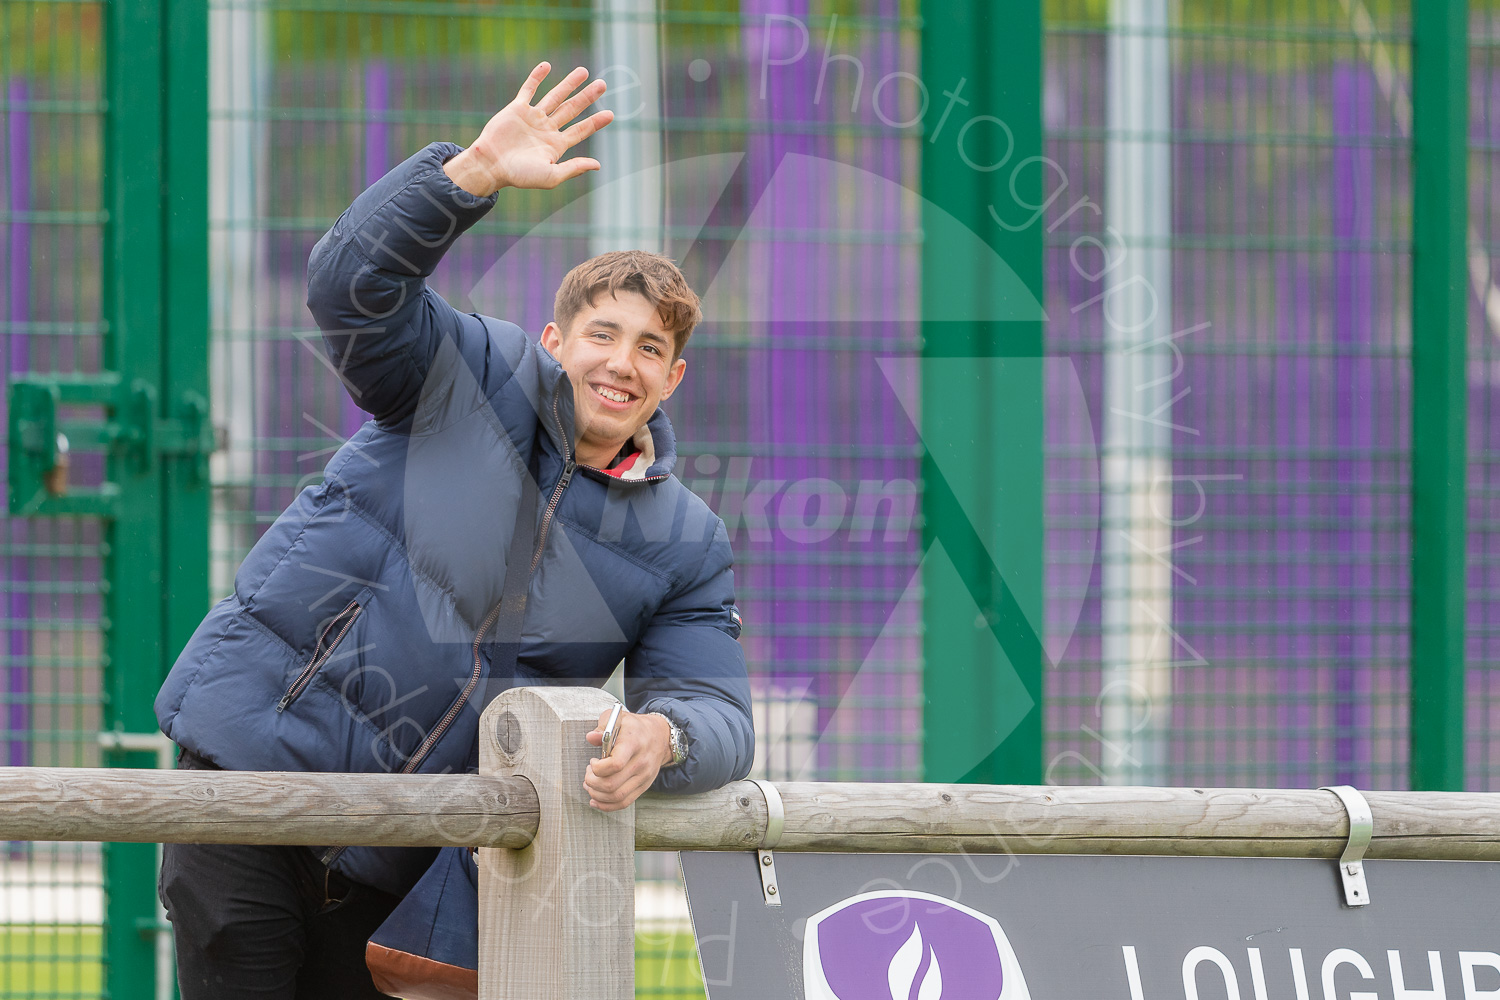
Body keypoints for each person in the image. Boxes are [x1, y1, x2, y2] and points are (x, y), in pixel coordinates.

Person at [153, 61, 755, 998]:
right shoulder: (472, 370)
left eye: (651, 348)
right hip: (251, 769)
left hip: (404, 858)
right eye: (602, 334)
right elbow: (349, 286)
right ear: (555, 342)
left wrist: (662, 738)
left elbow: (718, 711)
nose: (621, 364)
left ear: (672, 379)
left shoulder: (686, 541)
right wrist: (470, 172)